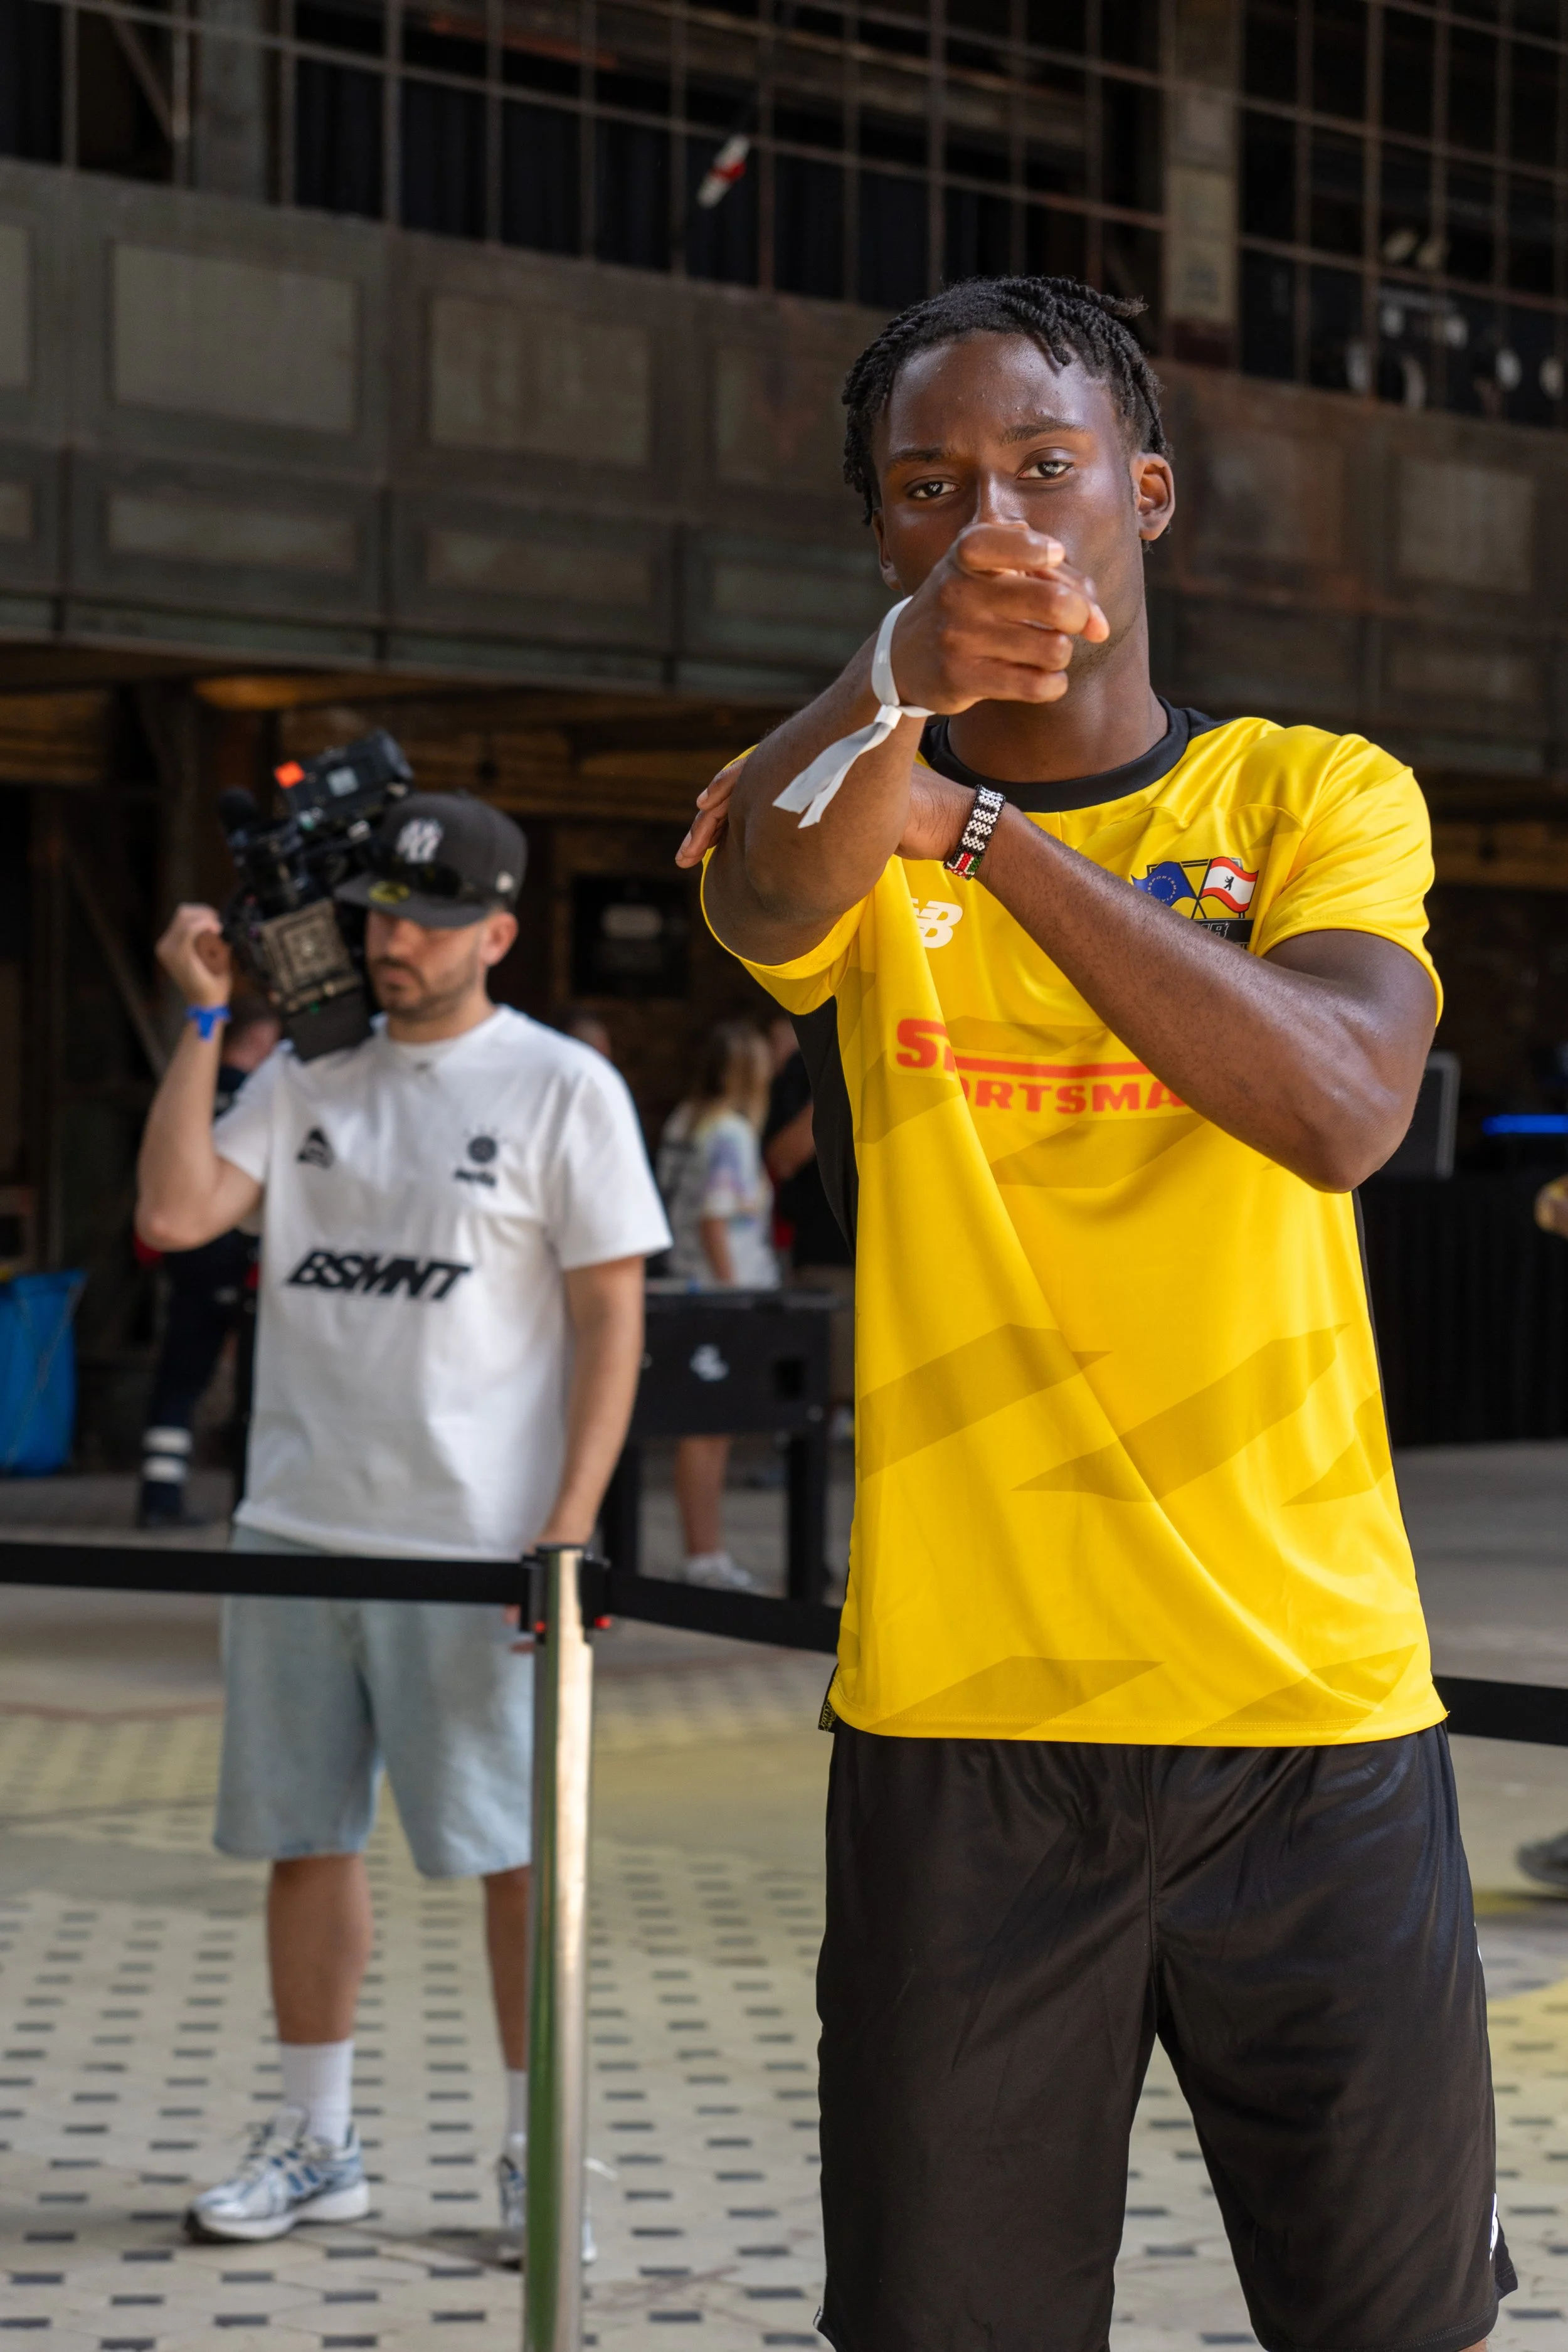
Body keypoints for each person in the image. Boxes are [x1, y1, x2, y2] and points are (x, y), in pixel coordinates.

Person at [679, 275, 1511, 2352]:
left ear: (1145, 496)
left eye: (1045, 469)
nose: (995, 524)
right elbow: (765, 899)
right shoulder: (844, 792)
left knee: (1391, 2328)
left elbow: (1337, 1105)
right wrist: (894, 720)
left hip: (1309, 1729)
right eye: (931, 488)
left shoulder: (1319, 795)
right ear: (887, 541)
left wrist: (987, 834)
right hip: (967, 1739)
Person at [135, 790, 670, 2254]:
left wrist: (567, 1522)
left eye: (431, 924)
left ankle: (529, 2150)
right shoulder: (311, 1078)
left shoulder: (563, 1087)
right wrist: (204, 1023)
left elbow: (609, 1313)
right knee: (306, 1838)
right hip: (298, 1526)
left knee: (512, 1855)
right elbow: (178, 1212)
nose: (395, 943)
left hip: (482, 1547)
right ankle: (320, 2137)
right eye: (380, 916)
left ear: (496, 931)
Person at [136, 1001, 281, 1528]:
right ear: (260, 1039)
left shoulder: (192, 1093)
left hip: (190, 1267)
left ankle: (158, 1497)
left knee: (180, 1380)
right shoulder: (261, 1095)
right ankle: (247, 1503)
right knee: (251, 1389)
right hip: (235, 1263)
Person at [655, 1019, 777, 1589]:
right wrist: (735, 1294)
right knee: (710, 1433)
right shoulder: (730, 1132)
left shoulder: (686, 1119)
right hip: (720, 1296)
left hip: (685, 1286)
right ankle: (705, 1555)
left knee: (695, 1428)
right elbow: (714, 1219)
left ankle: (702, 1550)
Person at [760, 1013, 855, 1417]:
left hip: (905, 1251)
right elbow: (781, 1158)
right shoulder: (804, 1071)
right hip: (827, 1255)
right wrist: (842, 1085)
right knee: (827, 1388)